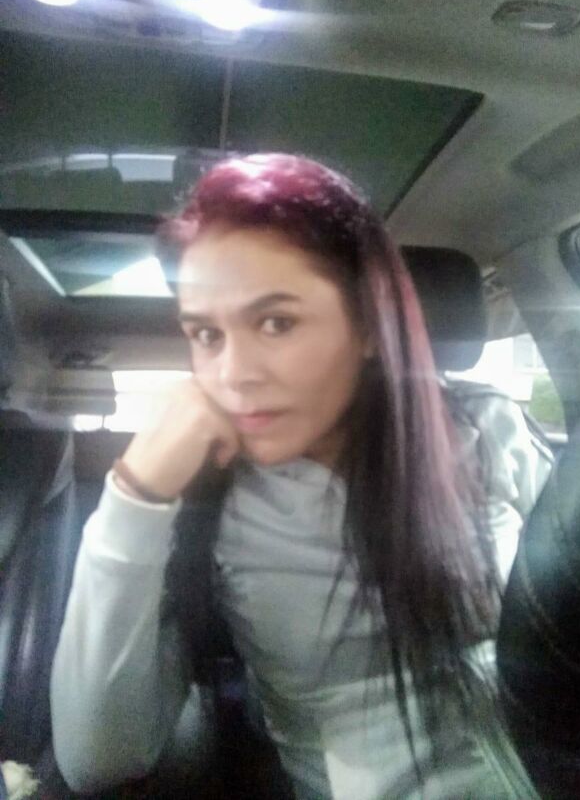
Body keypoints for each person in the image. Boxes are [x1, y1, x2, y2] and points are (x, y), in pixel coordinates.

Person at [50, 154, 551, 799]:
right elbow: (97, 760)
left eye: (276, 322)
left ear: (367, 324)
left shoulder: (486, 429)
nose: (233, 375)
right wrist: (134, 495)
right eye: (206, 334)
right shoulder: (202, 506)